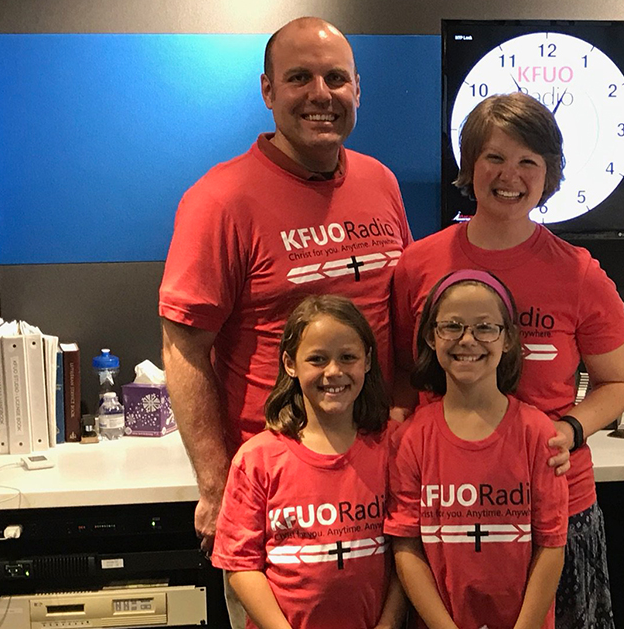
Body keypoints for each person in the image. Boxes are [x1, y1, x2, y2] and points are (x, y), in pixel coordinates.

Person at [159, 15, 412, 559]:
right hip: (277, 486)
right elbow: (184, 348)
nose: (321, 95)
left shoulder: (381, 182)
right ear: (268, 91)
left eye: (336, 79)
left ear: (357, 90)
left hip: (379, 471)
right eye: (300, 78)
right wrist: (213, 482)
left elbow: (402, 315)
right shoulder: (220, 200)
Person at [391, 92, 624, 628]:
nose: (511, 174)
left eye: (529, 161)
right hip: (447, 512)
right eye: (494, 158)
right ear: (470, 167)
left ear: (548, 173)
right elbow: (401, 381)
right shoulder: (418, 265)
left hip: (557, 508)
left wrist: (570, 429)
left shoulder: (578, 273)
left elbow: (618, 382)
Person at [386, 270, 568, 629]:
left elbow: (551, 545)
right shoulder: (411, 439)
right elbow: (406, 548)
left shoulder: (537, 433)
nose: (467, 340)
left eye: (485, 327)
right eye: (452, 326)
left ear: (509, 339)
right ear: (430, 336)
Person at [213, 295, 405, 629]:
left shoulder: (393, 445)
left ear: (368, 360)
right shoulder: (258, 459)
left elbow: (406, 550)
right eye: (317, 359)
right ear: (290, 364)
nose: (334, 372)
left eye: (348, 357)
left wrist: (388, 625)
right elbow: (240, 566)